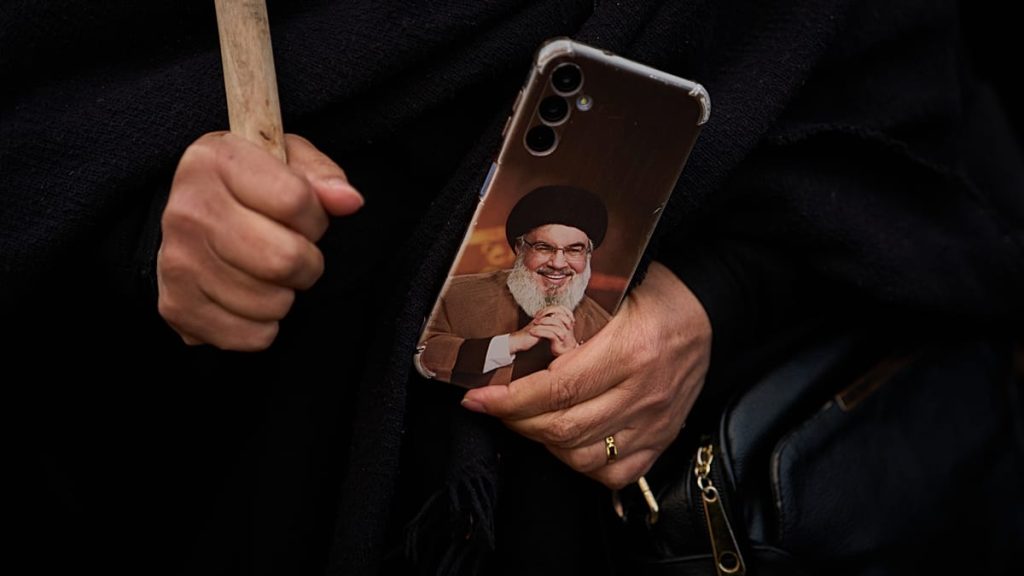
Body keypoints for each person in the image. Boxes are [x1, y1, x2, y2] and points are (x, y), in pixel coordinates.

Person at [3, 1, 1022, 576]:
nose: (556, 268)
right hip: (249, 486)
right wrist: (159, 238)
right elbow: (53, 104)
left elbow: (910, 112)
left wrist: (714, 301)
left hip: (661, 522)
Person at [415, 185, 612, 387]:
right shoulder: (454, 294)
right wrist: (511, 343)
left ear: (588, 255)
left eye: (574, 250)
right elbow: (422, 355)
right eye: (543, 248)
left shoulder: (606, 329)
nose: (558, 263)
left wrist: (573, 358)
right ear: (520, 248)